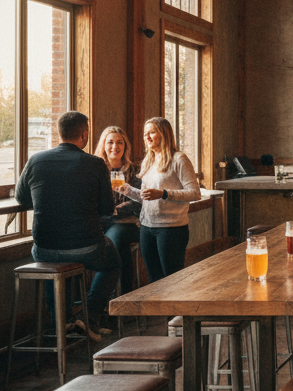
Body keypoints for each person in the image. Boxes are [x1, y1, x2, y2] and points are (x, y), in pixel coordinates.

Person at [14, 110, 120, 342]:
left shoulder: (36, 160)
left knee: (53, 263)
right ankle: (88, 317)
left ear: (59, 133)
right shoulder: (95, 164)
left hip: (44, 248)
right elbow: (106, 208)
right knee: (113, 262)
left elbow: (21, 198)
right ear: (84, 135)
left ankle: (60, 324)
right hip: (86, 247)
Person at [119, 117, 201, 283]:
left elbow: (194, 193)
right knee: (154, 281)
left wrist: (163, 193)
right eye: (145, 134)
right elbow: (147, 197)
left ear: (164, 134)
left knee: (173, 282)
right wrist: (126, 190)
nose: (147, 137)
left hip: (171, 230)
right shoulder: (148, 161)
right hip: (147, 227)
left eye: (152, 132)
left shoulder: (179, 159)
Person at [94, 125, 142, 299]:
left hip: (129, 224)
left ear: (125, 146)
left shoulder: (134, 171)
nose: (115, 146)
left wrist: (114, 211)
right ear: (103, 145)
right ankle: (123, 297)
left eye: (120, 142)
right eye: (110, 142)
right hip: (101, 224)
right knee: (119, 248)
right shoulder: (96, 170)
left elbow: (138, 202)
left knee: (115, 239)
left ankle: (98, 300)